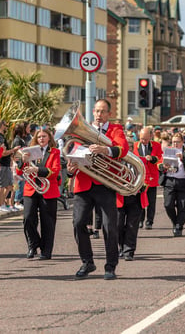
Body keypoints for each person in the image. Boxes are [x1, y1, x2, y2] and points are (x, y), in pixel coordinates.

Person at [67, 99, 128, 280]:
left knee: (110, 227)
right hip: (83, 183)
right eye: (97, 111)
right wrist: (70, 170)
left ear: (109, 113)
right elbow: (73, 154)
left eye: (103, 111)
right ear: (93, 112)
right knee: (78, 223)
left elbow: (122, 149)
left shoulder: (115, 129)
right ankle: (87, 262)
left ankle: (110, 266)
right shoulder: (81, 132)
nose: (99, 114)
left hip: (105, 185)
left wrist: (105, 149)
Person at [16, 128, 61, 260]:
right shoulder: (28, 151)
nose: (41, 139)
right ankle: (33, 244)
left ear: (49, 138)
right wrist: (23, 161)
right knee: (28, 218)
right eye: (39, 136)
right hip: (31, 189)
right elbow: (19, 172)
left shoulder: (54, 152)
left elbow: (55, 171)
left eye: (44, 136)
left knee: (48, 222)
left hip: (48, 190)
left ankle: (46, 251)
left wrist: (37, 170)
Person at [159, 133, 185, 237]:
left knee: (183, 206)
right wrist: (163, 166)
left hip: (184, 181)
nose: (175, 144)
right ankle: (175, 223)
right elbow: (159, 163)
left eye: (178, 142)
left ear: (182, 142)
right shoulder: (169, 150)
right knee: (168, 204)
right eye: (174, 142)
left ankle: (179, 226)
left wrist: (183, 158)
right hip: (170, 180)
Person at [134, 127, 162, 230]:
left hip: (152, 178)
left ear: (151, 136)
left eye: (145, 139)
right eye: (141, 138)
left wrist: (153, 158)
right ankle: (140, 220)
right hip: (140, 178)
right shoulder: (135, 145)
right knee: (139, 201)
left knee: (151, 202)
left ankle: (149, 221)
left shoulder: (156, 145)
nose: (143, 141)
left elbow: (160, 158)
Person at [0, 120, 19, 212]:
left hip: (5, 164)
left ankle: (2, 203)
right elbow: (2, 152)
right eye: (6, 126)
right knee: (2, 185)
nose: (7, 128)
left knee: (9, 186)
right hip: (2, 164)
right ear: (2, 126)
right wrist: (13, 150)